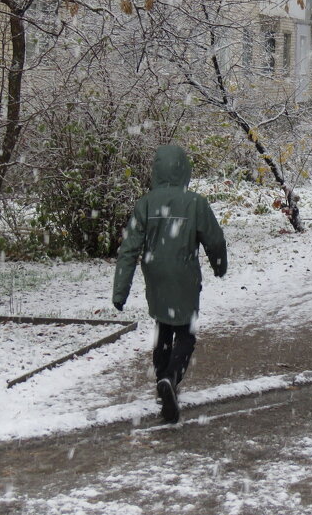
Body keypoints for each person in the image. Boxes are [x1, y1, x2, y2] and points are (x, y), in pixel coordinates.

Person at [112, 144, 227, 424]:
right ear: (184, 170)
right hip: (184, 273)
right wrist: (219, 265)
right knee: (185, 332)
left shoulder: (146, 203)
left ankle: (163, 382)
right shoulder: (195, 202)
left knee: (163, 325)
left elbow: (129, 249)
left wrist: (120, 291)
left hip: (156, 274)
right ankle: (170, 377)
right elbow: (214, 240)